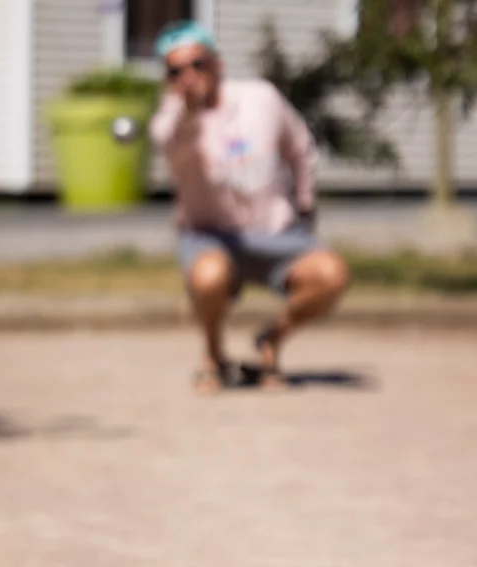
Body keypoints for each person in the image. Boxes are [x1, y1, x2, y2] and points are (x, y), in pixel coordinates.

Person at [149, 20, 350, 393]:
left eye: (198, 64)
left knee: (331, 275)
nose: (189, 76)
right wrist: (190, 113)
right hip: (210, 235)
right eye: (176, 71)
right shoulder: (169, 121)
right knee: (208, 277)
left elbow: (301, 148)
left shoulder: (261, 97)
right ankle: (214, 355)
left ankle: (271, 341)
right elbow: (177, 151)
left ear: (218, 64)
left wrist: (305, 202)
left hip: (275, 229)